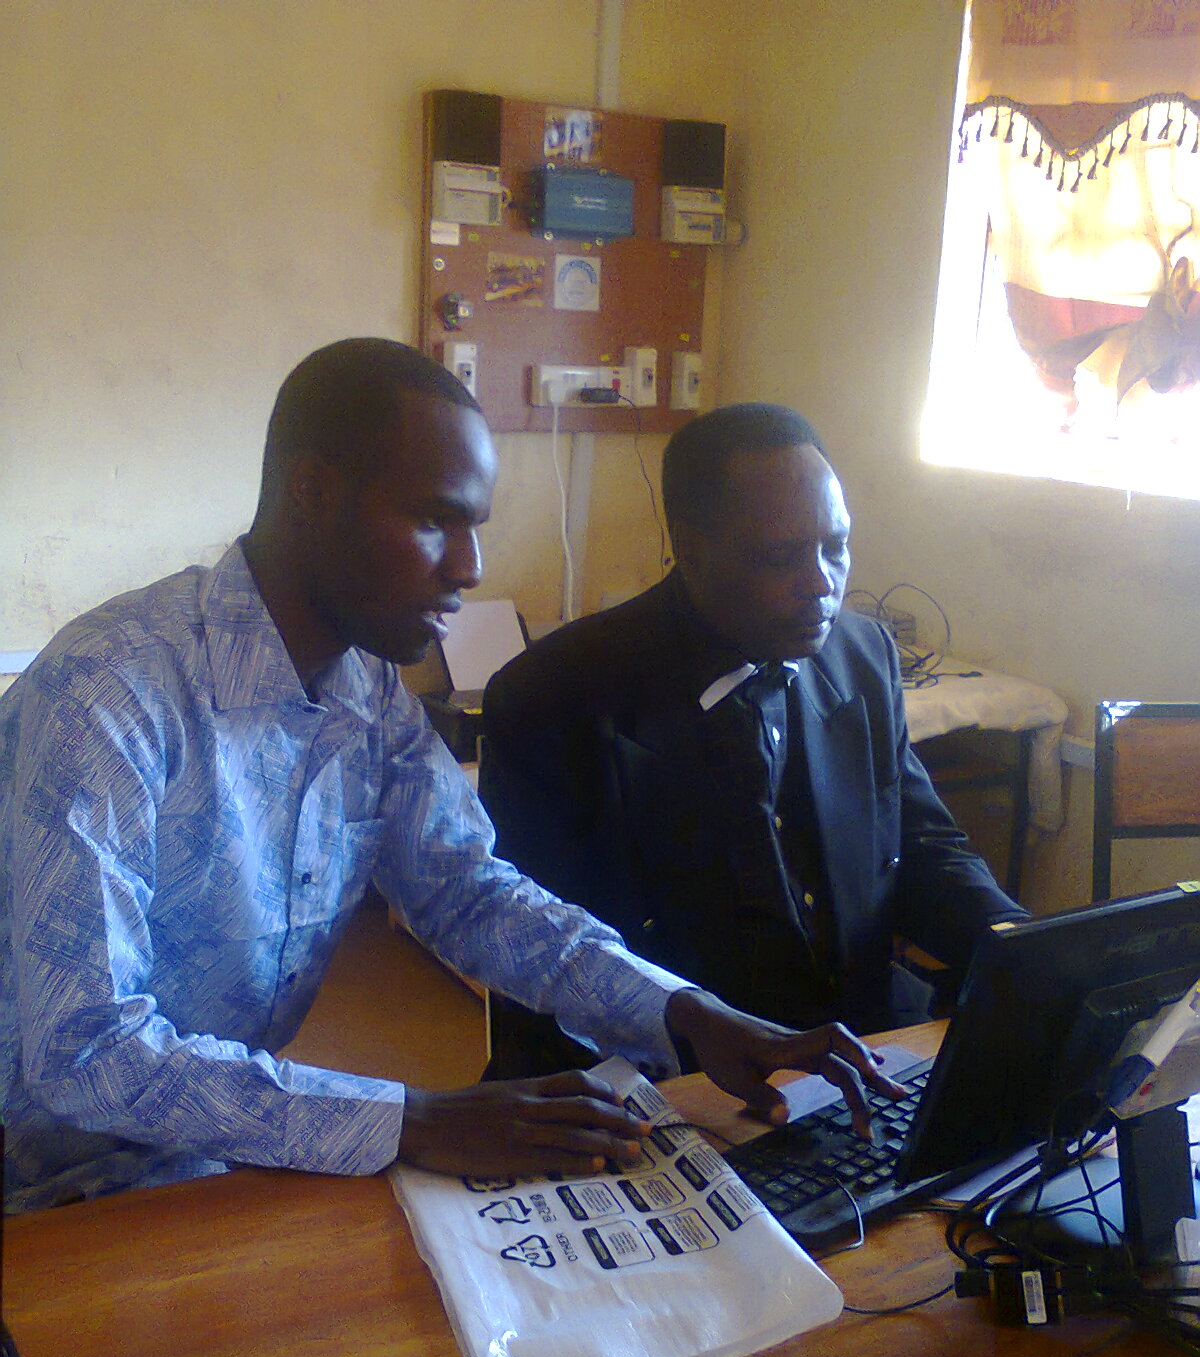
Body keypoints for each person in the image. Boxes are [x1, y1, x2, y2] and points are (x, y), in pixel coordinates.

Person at [0, 345, 901, 1212]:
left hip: (198, 1161)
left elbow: (468, 893)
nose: (470, 567)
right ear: (312, 491)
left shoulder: (364, 690)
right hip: (34, 1187)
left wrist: (685, 1013)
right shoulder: (109, 694)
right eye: (436, 520)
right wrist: (414, 1120)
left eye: (476, 528)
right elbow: (86, 1051)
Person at [479, 403, 1024, 1079]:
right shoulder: (555, 697)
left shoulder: (860, 656)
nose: (822, 583)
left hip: (857, 1050)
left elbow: (919, 846)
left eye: (836, 546)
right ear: (691, 548)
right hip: (672, 1076)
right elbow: (537, 947)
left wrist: (1025, 948)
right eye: (780, 557)